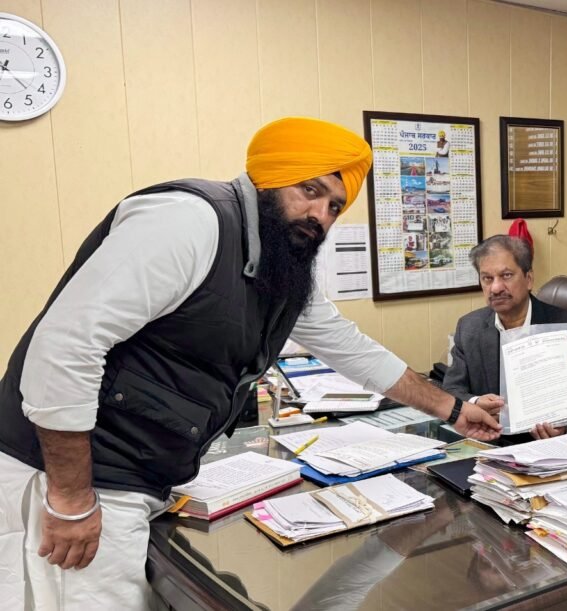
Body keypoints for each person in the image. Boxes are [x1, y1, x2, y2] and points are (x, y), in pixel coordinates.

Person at [0, 117, 501, 609]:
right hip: (70, 476)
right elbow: (65, 348)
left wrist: (454, 410)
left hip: (141, 476)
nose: (320, 215)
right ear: (268, 178)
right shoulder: (189, 221)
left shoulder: (281, 260)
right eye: (309, 190)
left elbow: (349, 346)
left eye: (334, 205)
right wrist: (70, 498)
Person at [444, 235, 567, 442]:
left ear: (528, 279)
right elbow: (451, 389)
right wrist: (475, 402)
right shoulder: (469, 327)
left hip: (547, 446)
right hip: (490, 443)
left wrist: (565, 427)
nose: (496, 288)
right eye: (487, 278)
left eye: (506, 275)